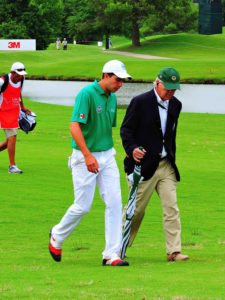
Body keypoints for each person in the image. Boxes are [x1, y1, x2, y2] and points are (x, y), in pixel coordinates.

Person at [49, 60, 132, 266]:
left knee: (114, 203)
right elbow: (74, 126)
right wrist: (87, 155)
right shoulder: (86, 94)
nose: (120, 84)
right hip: (84, 156)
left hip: (107, 155)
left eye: (122, 80)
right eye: (117, 79)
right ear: (105, 75)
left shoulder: (111, 98)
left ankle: (111, 254)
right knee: (83, 206)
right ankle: (57, 235)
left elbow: (105, 128)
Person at [120, 67, 189, 262]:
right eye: (168, 89)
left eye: (174, 89)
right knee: (136, 211)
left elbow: (169, 135)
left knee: (171, 207)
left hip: (166, 165)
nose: (171, 93)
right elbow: (126, 130)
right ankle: (119, 247)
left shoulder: (176, 105)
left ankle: (174, 251)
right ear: (157, 83)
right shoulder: (140, 102)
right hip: (143, 166)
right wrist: (132, 148)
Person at [0, 62, 31, 174]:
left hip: (14, 112)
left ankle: (12, 166)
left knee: (9, 141)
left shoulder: (21, 80)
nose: (21, 77)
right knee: (12, 137)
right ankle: (12, 166)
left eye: (22, 74)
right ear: (12, 73)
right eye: (18, 74)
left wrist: (22, 107)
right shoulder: (3, 81)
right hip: (3, 112)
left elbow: (18, 93)